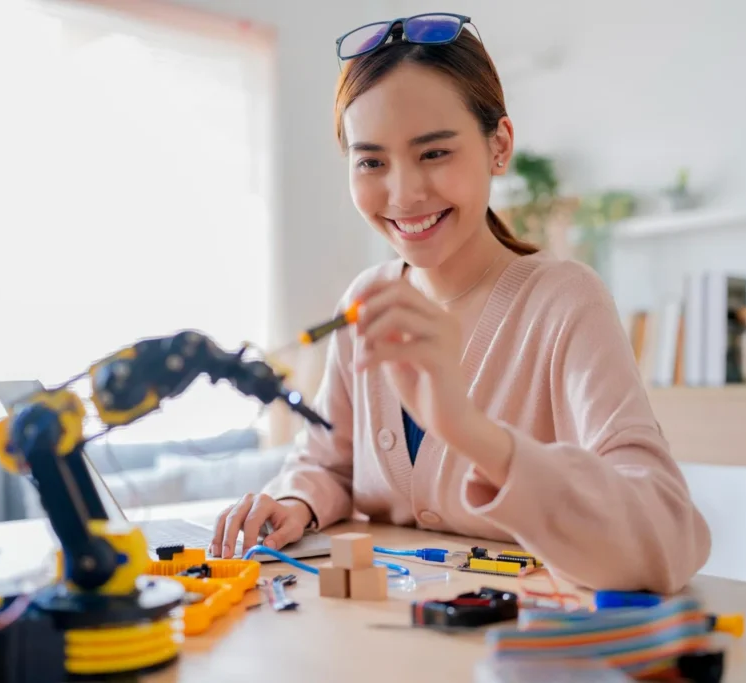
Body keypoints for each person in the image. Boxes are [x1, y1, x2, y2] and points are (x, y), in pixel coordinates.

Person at [210, 14, 710, 593]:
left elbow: (666, 539)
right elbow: (330, 462)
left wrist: (470, 429)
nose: (403, 194)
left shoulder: (566, 302)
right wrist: (295, 500)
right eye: (371, 161)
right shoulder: (365, 303)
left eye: (434, 153)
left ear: (499, 146)